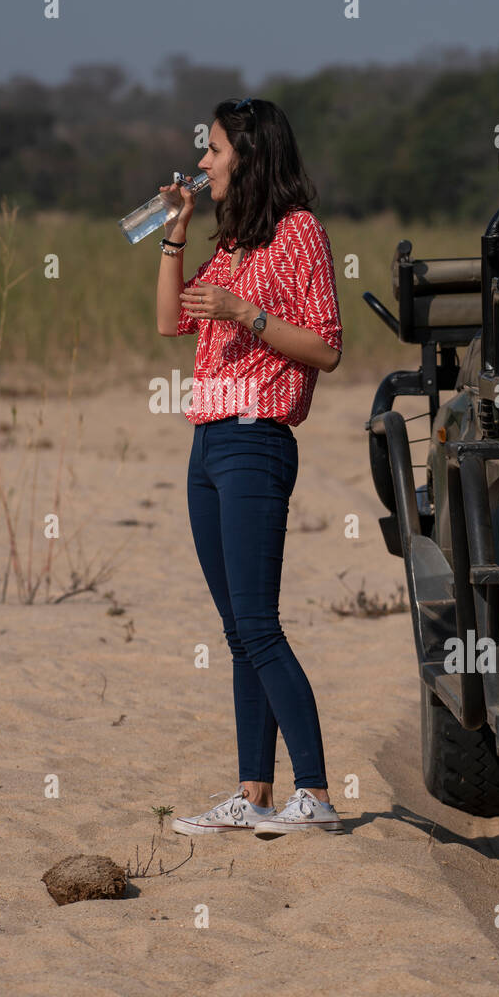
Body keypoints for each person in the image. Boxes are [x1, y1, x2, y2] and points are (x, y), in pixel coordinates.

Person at [155, 97, 343, 838]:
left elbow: (325, 348)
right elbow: (170, 322)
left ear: (250, 155)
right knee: (237, 630)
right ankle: (254, 794)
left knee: (259, 625)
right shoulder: (229, 241)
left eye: (212, 150)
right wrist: (174, 236)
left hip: (256, 438)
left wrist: (245, 313)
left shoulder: (300, 235)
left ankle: (317, 795)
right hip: (207, 440)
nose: (202, 163)